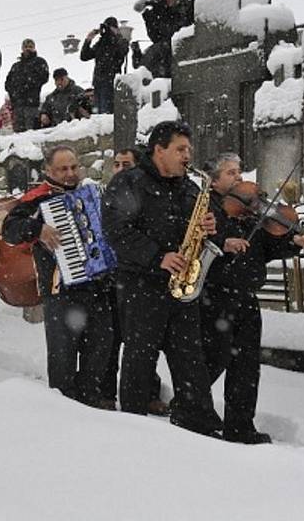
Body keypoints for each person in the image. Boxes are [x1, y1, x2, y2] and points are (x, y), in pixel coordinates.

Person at [102, 121, 224, 437]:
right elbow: (116, 232)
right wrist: (158, 257)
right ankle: (133, 425)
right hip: (140, 285)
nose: (188, 156)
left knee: (190, 358)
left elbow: (201, 227)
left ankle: (198, 423)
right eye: (180, 149)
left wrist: (210, 225)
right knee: (139, 358)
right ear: (159, 150)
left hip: (182, 286)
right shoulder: (127, 183)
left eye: (189, 150)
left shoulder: (190, 187)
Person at [200, 152, 304, 444]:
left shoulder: (252, 211)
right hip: (216, 296)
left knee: (247, 365)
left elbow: (267, 247)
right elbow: (202, 241)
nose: (239, 179)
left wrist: (294, 242)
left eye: (239, 173)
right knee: (216, 357)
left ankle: (240, 426)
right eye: (230, 174)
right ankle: (191, 410)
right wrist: (223, 242)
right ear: (214, 181)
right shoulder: (208, 209)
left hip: (246, 297)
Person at [3, 146, 114, 405]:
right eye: (63, 169)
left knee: (99, 352)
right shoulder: (37, 199)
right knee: (63, 358)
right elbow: (9, 230)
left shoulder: (92, 195)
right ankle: (63, 411)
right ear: (48, 171)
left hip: (97, 288)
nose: (70, 173)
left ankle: (92, 402)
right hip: (61, 291)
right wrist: (37, 228)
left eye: (74, 167)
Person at [99, 148, 170, 415]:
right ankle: (106, 392)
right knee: (110, 340)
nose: (120, 168)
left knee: (139, 342)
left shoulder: (143, 195)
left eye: (125, 163)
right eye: (116, 164)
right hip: (108, 279)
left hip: (135, 279)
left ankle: (149, 392)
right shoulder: (104, 195)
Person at [132, 0, 192, 78]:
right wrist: (149, 16)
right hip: (168, 61)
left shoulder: (185, 8)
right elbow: (155, 37)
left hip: (181, 55)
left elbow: (173, 31)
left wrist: (161, 11)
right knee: (152, 53)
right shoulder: (167, 11)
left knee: (157, 51)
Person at [80, 17, 128, 114]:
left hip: (111, 81)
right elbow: (84, 56)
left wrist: (112, 33)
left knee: (107, 112)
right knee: (99, 112)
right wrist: (88, 40)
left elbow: (121, 51)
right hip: (98, 82)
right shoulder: (101, 43)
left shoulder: (120, 41)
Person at [4, 38, 49, 132]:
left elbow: (43, 78)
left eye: (30, 47)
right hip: (18, 106)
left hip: (31, 105)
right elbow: (8, 84)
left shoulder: (39, 62)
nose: (28, 49)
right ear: (22, 48)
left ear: (34, 48)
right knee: (18, 134)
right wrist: (14, 95)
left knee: (31, 133)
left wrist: (27, 86)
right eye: (26, 47)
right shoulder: (16, 66)